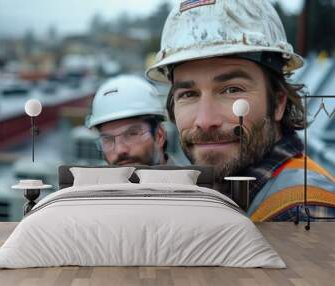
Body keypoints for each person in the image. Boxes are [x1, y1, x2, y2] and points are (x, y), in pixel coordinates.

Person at [146, 0, 335, 221]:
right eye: (188, 94)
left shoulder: (304, 213)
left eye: (231, 90)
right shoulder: (232, 198)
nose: (205, 120)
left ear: (278, 103)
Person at [86, 75, 176, 166]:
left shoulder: (185, 179)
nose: (120, 150)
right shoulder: (96, 179)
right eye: (107, 139)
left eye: (132, 134)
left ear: (159, 136)